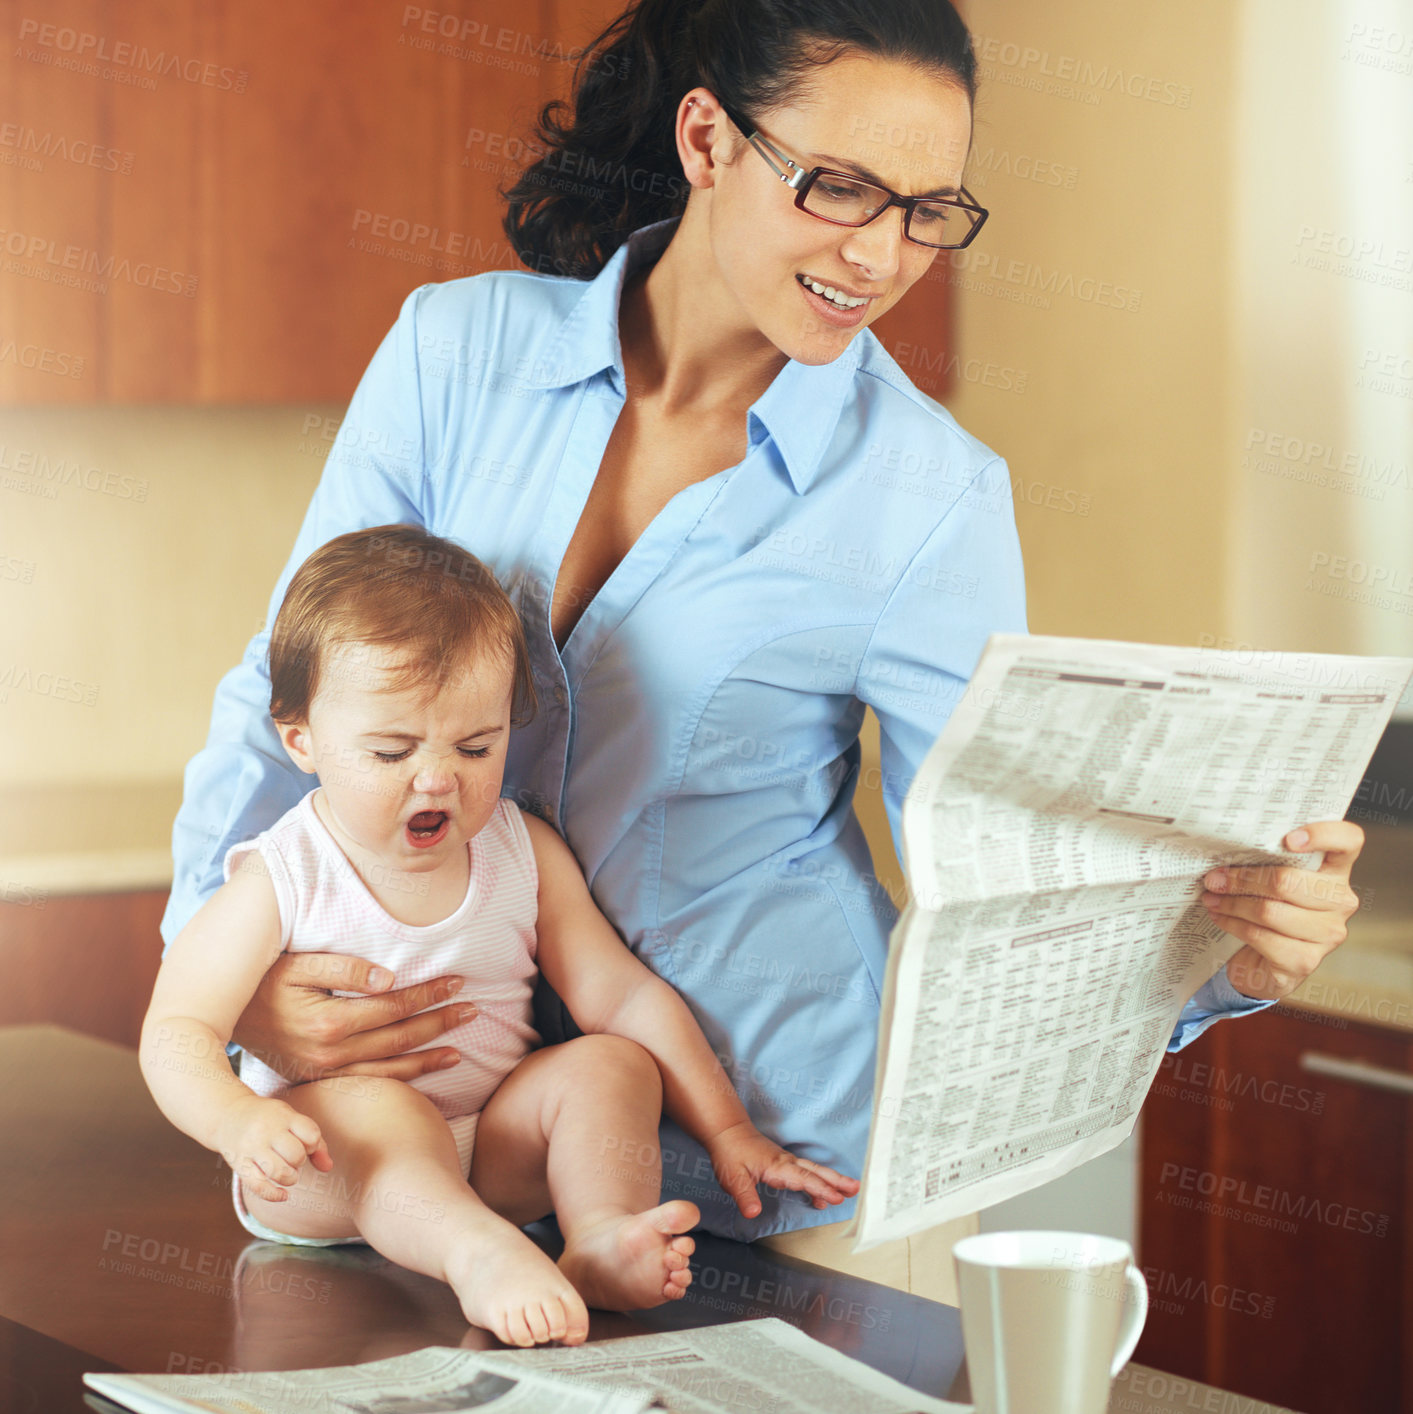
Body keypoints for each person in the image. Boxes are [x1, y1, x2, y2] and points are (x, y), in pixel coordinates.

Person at [162, 0, 1364, 1298]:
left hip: (791, 1178)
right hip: (444, 1149)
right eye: (838, 186)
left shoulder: (923, 495)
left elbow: (1003, 874)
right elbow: (276, 701)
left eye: (926, 209)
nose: (881, 252)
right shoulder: (455, 355)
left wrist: (1218, 957)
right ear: (706, 138)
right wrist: (228, 989)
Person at [143, 524, 857, 1348]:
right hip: (323, 1170)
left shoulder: (524, 852)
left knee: (612, 1062)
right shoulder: (281, 876)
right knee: (385, 1110)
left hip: (488, 1155)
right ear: (301, 740)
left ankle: (598, 1237)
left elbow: (620, 996)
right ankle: (474, 1254)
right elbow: (177, 1030)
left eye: (476, 745)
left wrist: (726, 1126)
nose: (438, 776)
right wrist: (238, 1123)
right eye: (390, 750)